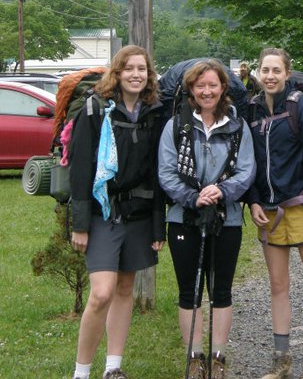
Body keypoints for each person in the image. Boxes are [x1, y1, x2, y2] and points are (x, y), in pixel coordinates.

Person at [69, 45, 166, 379]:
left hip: (138, 214)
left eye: (142, 69)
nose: (136, 74)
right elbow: (80, 169)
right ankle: (81, 372)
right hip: (102, 213)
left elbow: (157, 173)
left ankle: (113, 367)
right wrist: (79, 225)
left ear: (149, 74)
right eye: (129, 69)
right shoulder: (96, 110)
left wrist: (158, 227)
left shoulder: (154, 112)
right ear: (117, 73)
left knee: (125, 289)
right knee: (101, 293)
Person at [158, 59, 255, 379]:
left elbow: (246, 170)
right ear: (191, 89)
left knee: (221, 290)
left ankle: (218, 355)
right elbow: (167, 172)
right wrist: (193, 197)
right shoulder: (175, 126)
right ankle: (195, 356)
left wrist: (221, 192)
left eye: (212, 85)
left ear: (223, 88)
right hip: (183, 216)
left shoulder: (237, 126)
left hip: (225, 218)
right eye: (200, 86)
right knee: (190, 290)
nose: (206, 91)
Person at [247, 48, 303, 379]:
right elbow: (250, 162)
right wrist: (253, 200)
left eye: (276, 70)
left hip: (300, 206)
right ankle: (281, 362)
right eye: (264, 69)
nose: (269, 76)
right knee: (278, 286)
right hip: (268, 212)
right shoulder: (252, 109)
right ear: (257, 72)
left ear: (287, 72)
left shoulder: (301, 106)